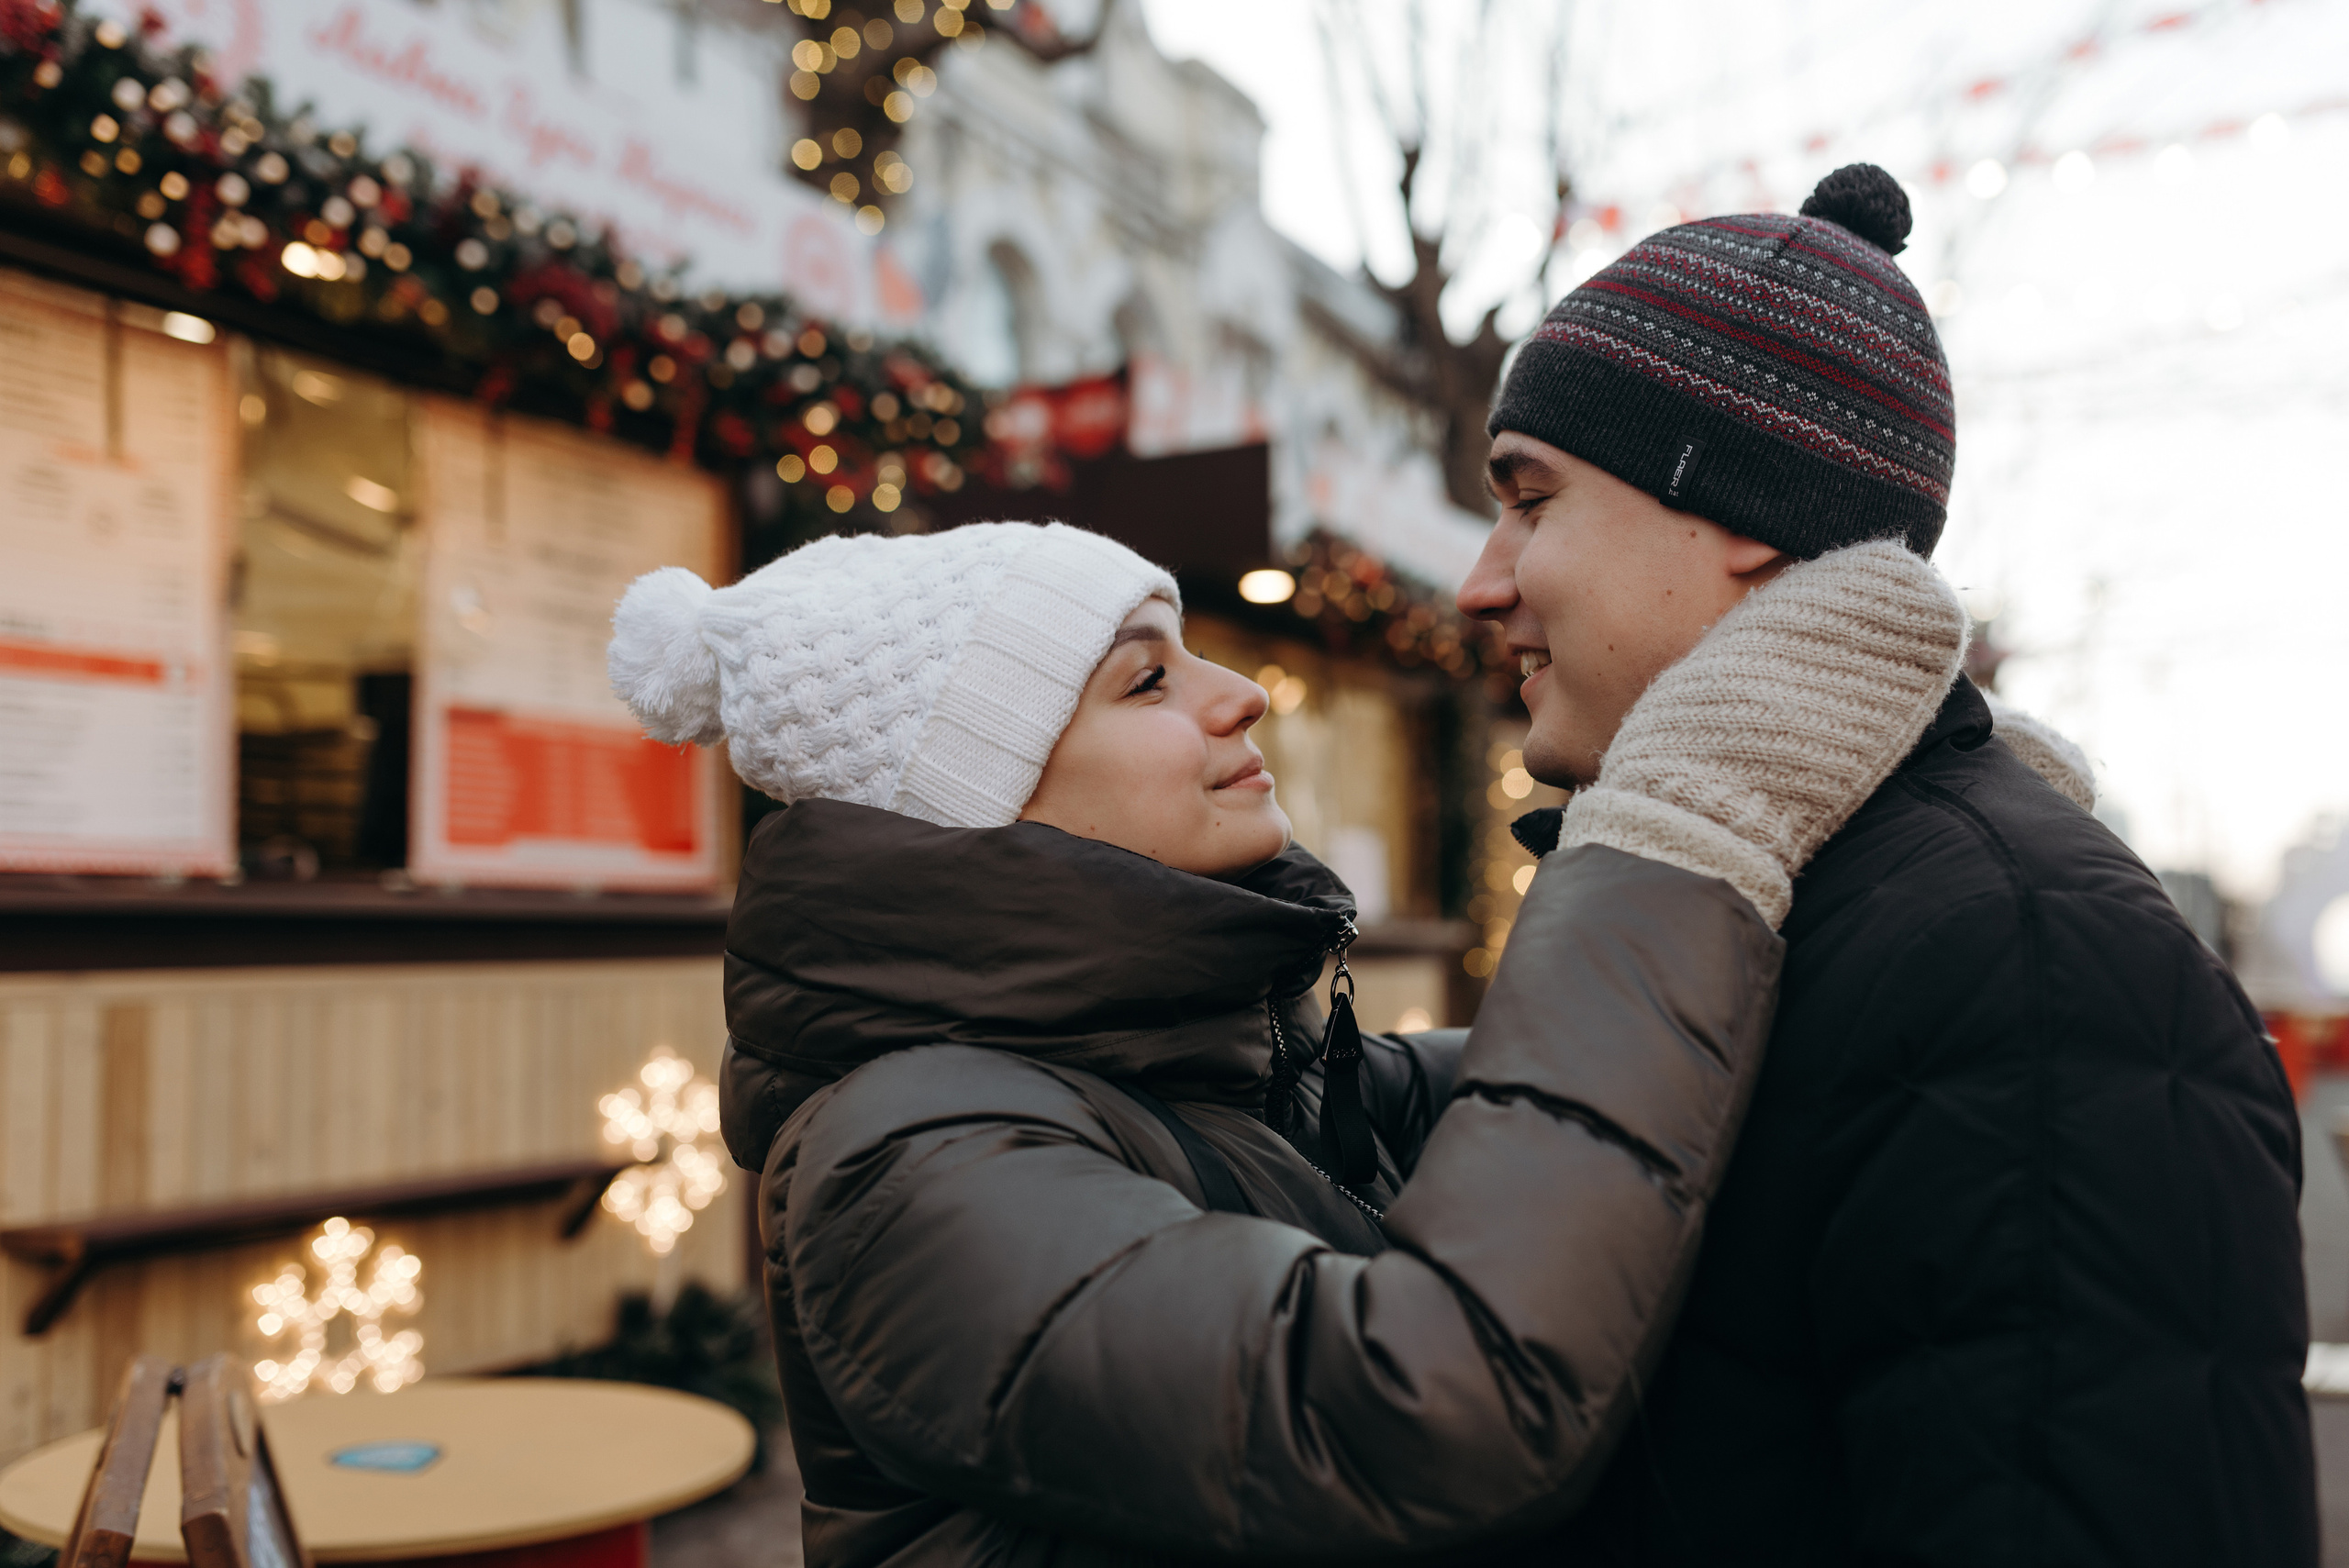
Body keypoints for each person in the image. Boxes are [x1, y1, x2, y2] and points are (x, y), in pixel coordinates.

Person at [608, 514, 1965, 1565]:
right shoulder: (906, 1160)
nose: (1241, 692)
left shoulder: (1190, 1060)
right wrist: (1675, 848)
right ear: (985, 803)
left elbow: (1519, 1108)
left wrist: (1891, 871)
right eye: (1147, 682)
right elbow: (1416, 1400)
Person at [1461, 162, 2317, 1565]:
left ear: (1739, 507)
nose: (1481, 578)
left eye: (1531, 498)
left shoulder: (2026, 964)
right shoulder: (1759, 913)